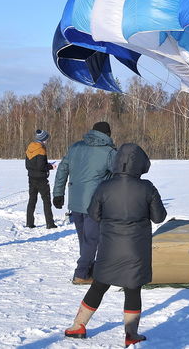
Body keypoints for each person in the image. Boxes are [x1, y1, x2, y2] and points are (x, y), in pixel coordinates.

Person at [64, 143, 167, 346]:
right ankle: (131, 334)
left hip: (109, 248)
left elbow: (93, 213)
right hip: (136, 250)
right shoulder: (147, 187)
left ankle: (78, 326)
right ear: (141, 164)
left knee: (98, 286)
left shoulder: (105, 186)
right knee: (132, 289)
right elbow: (159, 217)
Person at [53, 121, 116, 284]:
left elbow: (62, 169)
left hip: (75, 201)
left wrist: (58, 193)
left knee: (84, 238)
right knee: (92, 240)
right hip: (95, 203)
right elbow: (119, 174)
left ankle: (88, 270)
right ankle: (81, 274)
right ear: (108, 134)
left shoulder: (76, 147)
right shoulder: (109, 152)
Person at [25, 129, 57, 229]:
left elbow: (29, 165)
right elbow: (41, 166)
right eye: (46, 139)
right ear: (43, 139)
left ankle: (29, 223)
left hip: (31, 178)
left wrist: (46, 165)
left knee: (32, 200)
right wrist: (51, 167)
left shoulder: (29, 148)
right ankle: (50, 224)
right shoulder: (41, 150)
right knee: (46, 201)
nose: (47, 141)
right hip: (41, 179)